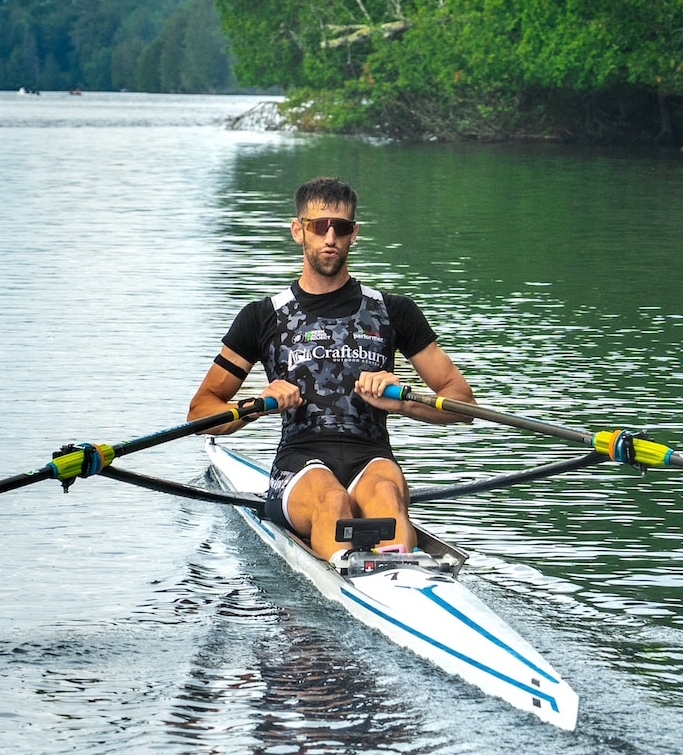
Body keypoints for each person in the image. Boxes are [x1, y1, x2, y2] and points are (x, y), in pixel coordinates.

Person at [189, 176, 473, 562]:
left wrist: (403, 403)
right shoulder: (261, 317)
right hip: (299, 462)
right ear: (297, 230)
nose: (329, 237)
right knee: (332, 499)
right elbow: (201, 412)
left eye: (340, 227)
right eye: (318, 225)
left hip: (372, 457)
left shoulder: (393, 311)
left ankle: (398, 572)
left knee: (386, 496)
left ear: (353, 234)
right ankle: (353, 575)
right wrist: (258, 403)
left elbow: (460, 401)